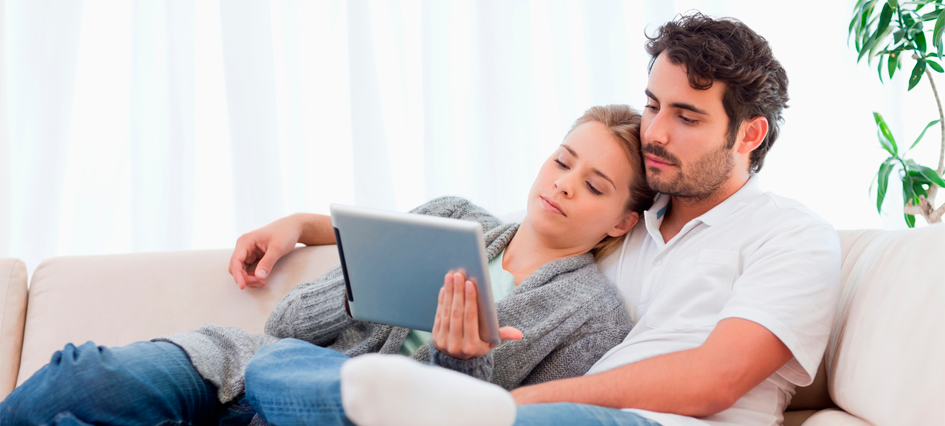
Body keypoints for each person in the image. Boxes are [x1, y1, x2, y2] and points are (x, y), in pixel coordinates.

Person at [0, 105, 655, 426]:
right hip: (250, 366)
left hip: (345, 414)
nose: (564, 183)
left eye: (594, 186)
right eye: (562, 160)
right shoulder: (453, 217)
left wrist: (462, 361)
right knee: (81, 376)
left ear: (622, 222)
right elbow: (286, 324)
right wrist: (364, 288)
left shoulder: (593, 319)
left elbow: (492, 421)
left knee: (314, 375)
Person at [338, 12, 842, 426]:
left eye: (687, 117)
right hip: (562, 414)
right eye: (652, 106)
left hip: (649, 421)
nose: (655, 133)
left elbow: (715, 381)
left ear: (749, 135)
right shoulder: (622, 216)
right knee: (340, 382)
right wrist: (311, 226)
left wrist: (508, 406)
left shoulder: (793, 237)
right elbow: (501, 226)